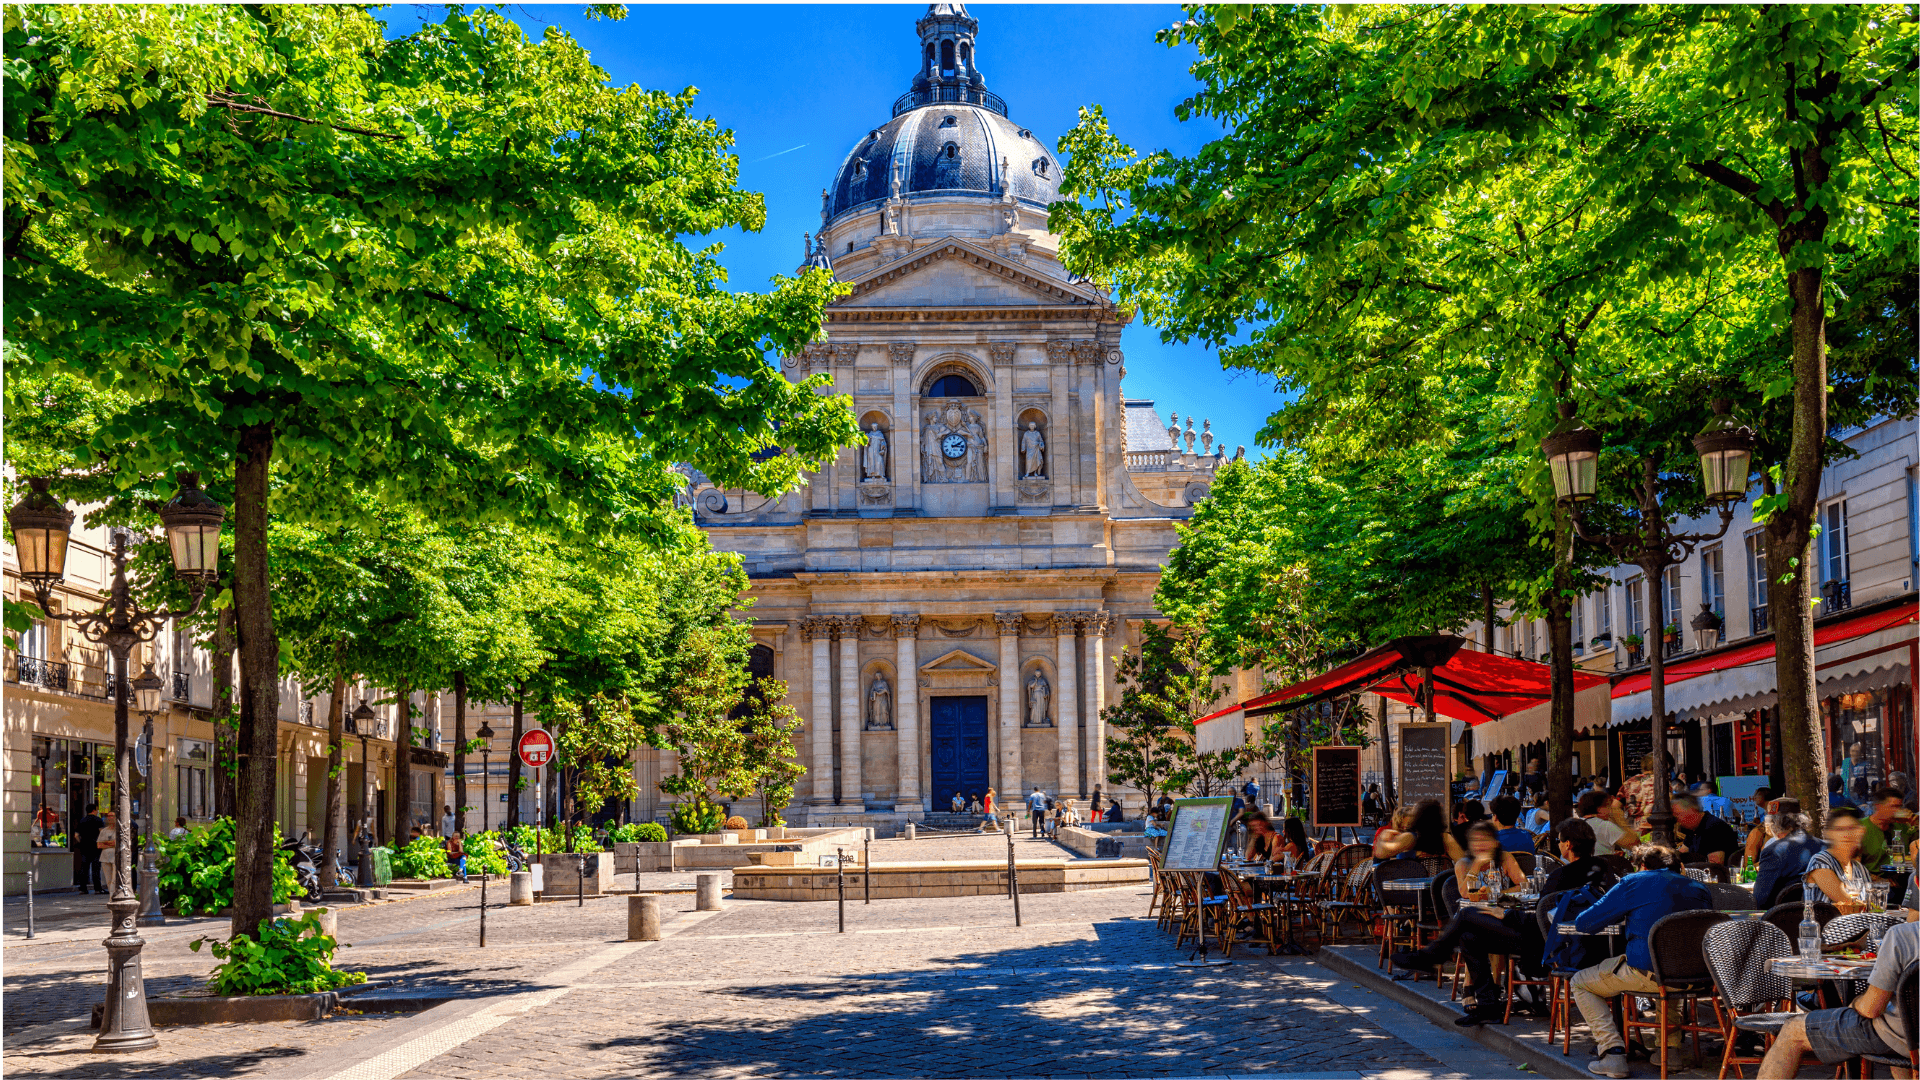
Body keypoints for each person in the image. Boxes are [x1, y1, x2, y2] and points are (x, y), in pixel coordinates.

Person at [1568, 844, 1712, 1077]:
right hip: (1693, 976)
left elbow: (1584, 923)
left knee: (1579, 982)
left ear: (1642, 866)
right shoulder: (1700, 888)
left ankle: (1612, 1052)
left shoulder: (1634, 882)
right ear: (1679, 867)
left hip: (1646, 971)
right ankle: (1669, 1050)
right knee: (1670, 972)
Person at [1388, 821, 1529, 1023]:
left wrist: (1497, 894)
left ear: (1495, 843)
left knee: (1467, 919)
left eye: (1485, 840)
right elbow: (1466, 893)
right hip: (1479, 918)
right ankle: (1488, 1006)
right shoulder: (1464, 863)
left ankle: (1432, 957)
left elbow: (1524, 885)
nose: (1480, 845)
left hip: (1505, 918)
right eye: (1475, 841)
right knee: (1467, 935)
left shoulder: (1505, 858)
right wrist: (1478, 866)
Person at [1753, 918, 1920, 1080]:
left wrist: (1855, 1002)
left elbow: (1871, 1009)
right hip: (1908, 1038)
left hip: (1904, 1037)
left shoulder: (1904, 935)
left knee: (1792, 1030)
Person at [1750, 799, 1823, 910]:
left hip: (1782, 919)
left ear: (1774, 824)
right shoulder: (1825, 846)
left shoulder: (1773, 851)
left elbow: (1759, 900)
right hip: (1823, 915)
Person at [1805, 806, 1874, 912]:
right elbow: (1848, 903)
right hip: (1825, 927)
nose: (1846, 835)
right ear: (1829, 834)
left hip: (1859, 926)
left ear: (1861, 832)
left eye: (1852, 828)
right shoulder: (1820, 862)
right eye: (1840, 829)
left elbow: (1871, 907)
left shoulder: (1860, 869)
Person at [1543, 818, 1620, 896]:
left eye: (1558, 841)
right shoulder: (1604, 865)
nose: (1559, 844)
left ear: (1567, 844)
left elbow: (1543, 905)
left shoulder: (1558, 876)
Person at [1376, 799, 1465, 862]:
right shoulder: (1445, 838)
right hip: (1437, 885)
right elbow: (1463, 862)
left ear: (1417, 818)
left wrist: (1383, 839)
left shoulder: (1410, 838)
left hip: (1409, 884)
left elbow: (1380, 853)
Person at [1671, 794, 1740, 866]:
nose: (1678, 820)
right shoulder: (1693, 829)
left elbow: (1715, 866)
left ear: (1692, 811)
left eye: (1678, 814)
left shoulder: (1714, 828)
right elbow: (1681, 853)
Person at [1861, 785, 1909, 874]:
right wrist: (1877, 880)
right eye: (1893, 806)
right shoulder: (1861, 828)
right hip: (1874, 882)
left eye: (1899, 807)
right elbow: (1853, 867)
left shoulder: (1903, 827)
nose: (1897, 811)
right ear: (1879, 806)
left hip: (1903, 879)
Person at [1577, 789, 1639, 857]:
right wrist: (1619, 819)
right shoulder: (1604, 826)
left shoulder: (1578, 823)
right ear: (1600, 809)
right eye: (1609, 806)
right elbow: (1636, 846)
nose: (1611, 809)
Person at [1617, 751, 1663, 830]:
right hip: (1656, 828)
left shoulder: (1628, 783)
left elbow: (1615, 807)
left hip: (1633, 828)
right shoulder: (1662, 783)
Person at [76, 802, 106, 894]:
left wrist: (81, 842)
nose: (97, 812)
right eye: (97, 810)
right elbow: (102, 833)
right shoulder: (98, 820)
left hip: (85, 846)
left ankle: (83, 888)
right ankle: (97, 888)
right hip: (96, 846)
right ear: (94, 810)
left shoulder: (82, 820)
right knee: (96, 868)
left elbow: (76, 835)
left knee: (84, 868)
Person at [96, 811, 119, 894]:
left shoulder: (118, 830)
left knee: (114, 879)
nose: (110, 818)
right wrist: (111, 844)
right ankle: (111, 896)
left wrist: (105, 843)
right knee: (108, 880)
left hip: (115, 857)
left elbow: (116, 843)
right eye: (108, 816)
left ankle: (113, 896)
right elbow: (99, 845)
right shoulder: (104, 831)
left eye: (112, 816)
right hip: (105, 858)